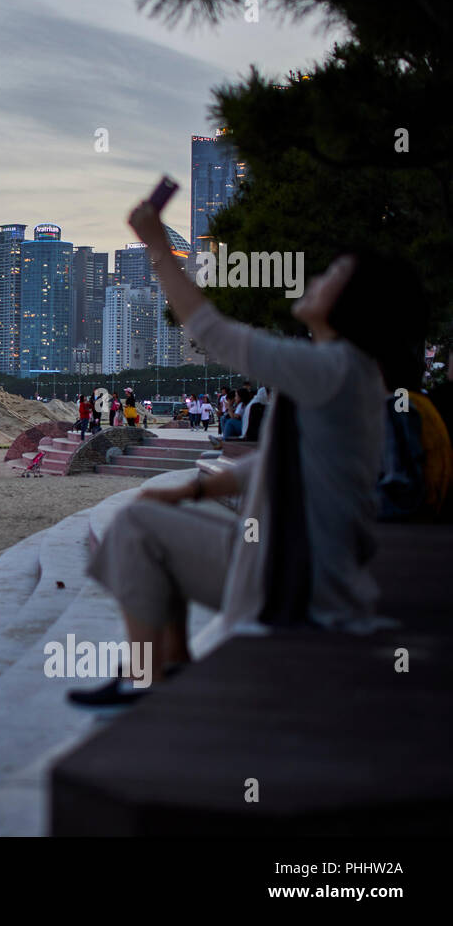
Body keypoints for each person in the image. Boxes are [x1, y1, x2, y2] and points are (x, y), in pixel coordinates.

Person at [70, 194, 423, 705]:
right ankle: (168, 666)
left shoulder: (331, 367)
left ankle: (146, 681)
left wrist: (155, 243)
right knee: (152, 520)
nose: (315, 281)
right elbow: (283, 460)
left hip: (298, 581)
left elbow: (212, 332)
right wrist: (193, 488)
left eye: (331, 278)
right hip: (308, 567)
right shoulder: (345, 371)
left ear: (353, 304)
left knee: (135, 526)